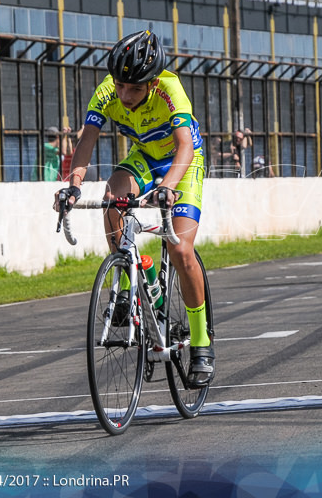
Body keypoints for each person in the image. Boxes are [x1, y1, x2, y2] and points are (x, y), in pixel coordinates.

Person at [53, 30, 214, 387]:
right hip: (144, 157)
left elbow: (186, 147)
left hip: (181, 163)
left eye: (135, 89)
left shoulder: (170, 90)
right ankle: (132, 282)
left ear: (152, 83)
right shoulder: (108, 92)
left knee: (180, 248)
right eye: (121, 85)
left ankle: (202, 342)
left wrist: (168, 187)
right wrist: (74, 186)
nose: (125, 95)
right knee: (112, 197)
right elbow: (86, 143)